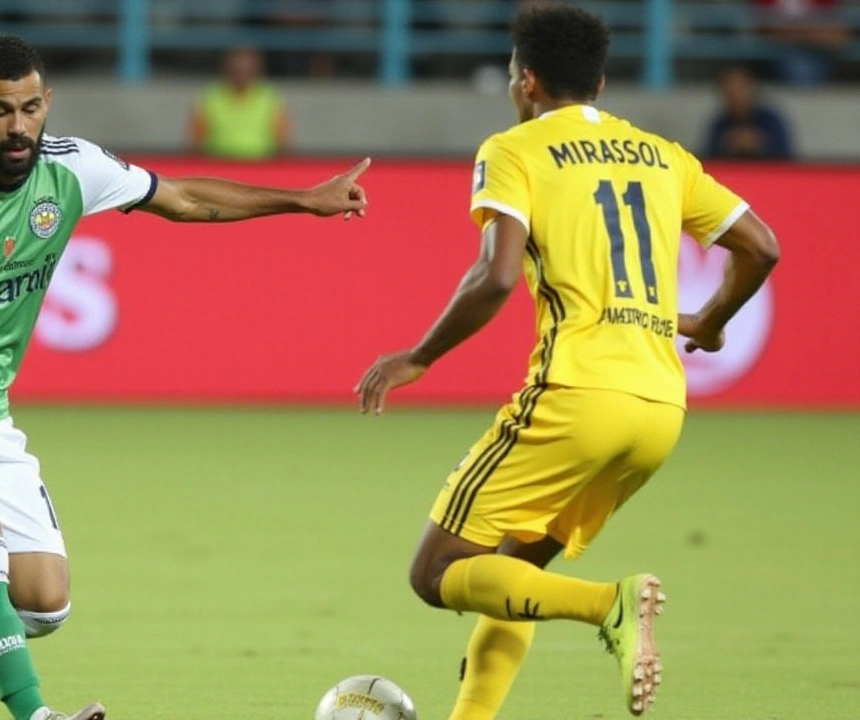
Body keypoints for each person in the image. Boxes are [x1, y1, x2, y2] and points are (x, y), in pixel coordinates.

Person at [0, 35, 369, 720]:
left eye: (29, 108)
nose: (18, 127)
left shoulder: (75, 168)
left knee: (41, 605)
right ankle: (38, 716)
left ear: (47, 103)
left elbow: (186, 198)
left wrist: (303, 200)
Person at [354, 5, 778, 718]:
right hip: (660, 411)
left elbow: (494, 276)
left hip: (577, 394)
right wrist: (710, 320)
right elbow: (762, 246)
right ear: (602, 83)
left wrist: (418, 357)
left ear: (526, 82)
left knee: (437, 572)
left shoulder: (514, 150)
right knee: (513, 572)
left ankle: (609, 606)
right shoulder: (665, 154)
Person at [189, 47, 291, 160]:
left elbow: (283, 140)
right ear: (227, 68)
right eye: (237, 68)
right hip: (218, 164)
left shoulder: (269, 97)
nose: (242, 72)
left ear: (256, 69)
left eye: (246, 68)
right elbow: (196, 140)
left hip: (261, 165)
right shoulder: (211, 97)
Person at [703, 64, 794, 161]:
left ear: (752, 88)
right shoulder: (719, 125)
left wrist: (759, 144)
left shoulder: (771, 122)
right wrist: (727, 144)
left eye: (740, 88)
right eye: (730, 89)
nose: (736, 95)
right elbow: (709, 160)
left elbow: (786, 158)